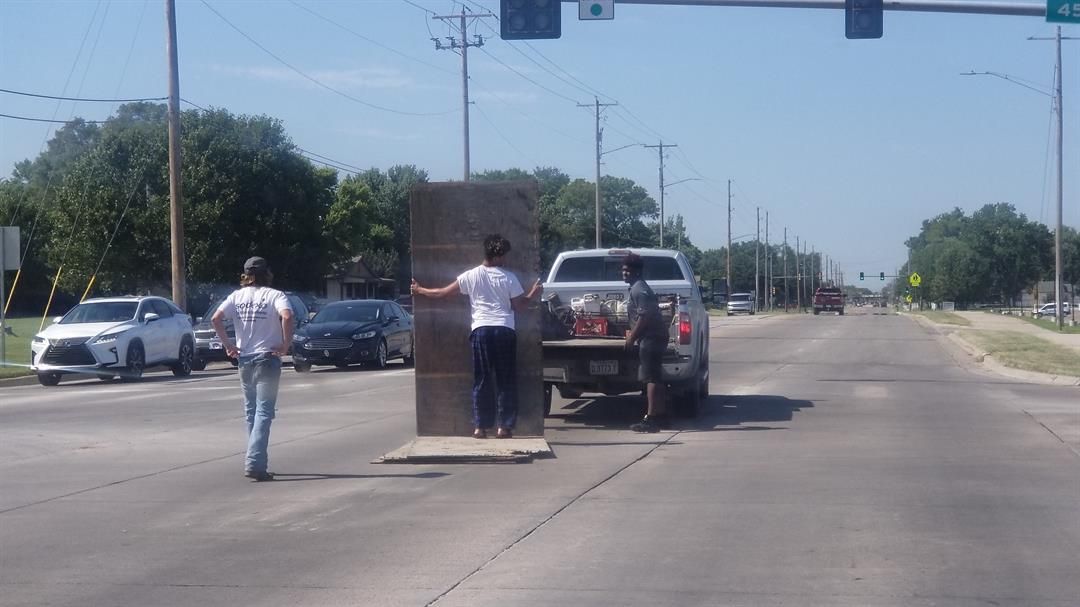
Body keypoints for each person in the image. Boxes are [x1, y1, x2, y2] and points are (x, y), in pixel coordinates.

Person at [411, 234, 542, 439]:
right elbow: (519, 306)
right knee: (505, 379)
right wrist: (532, 294)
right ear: (498, 256)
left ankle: (480, 427)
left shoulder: (471, 275)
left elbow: (443, 293)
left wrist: (420, 290)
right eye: (504, 255)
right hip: (504, 330)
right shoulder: (508, 278)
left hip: (480, 330)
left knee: (482, 379)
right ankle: (504, 427)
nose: (506, 259)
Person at [212, 256, 294, 481]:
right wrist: (285, 345)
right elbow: (287, 316)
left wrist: (228, 345)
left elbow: (216, 318)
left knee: (251, 412)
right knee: (264, 412)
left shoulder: (236, 296)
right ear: (266, 274)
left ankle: (256, 460)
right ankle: (254, 462)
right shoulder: (275, 295)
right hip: (267, 358)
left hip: (245, 360)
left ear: (246, 275)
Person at [622, 252, 668, 433]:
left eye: (627, 270)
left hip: (651, 337)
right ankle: (662, 415)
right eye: (623, 270)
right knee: (656, 377)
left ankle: (651, 418)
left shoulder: (639, 289)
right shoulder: (636, 287)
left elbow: (645, 316)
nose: (624, 273)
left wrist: (632, 337)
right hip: (652, 336)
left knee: (651, 378)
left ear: (636, 272)